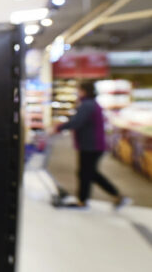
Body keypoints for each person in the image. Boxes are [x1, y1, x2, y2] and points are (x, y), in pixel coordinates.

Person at [56, 81, 131, 209]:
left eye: (78, 90)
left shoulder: (87, 105)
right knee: (88, 172)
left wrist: (59, 127)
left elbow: (77, 122)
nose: (77, 93)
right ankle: (114, 196)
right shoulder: (91, 104)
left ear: (84, 91)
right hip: (93, 144)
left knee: (86, 173)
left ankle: (85, 200)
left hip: (91, 145)